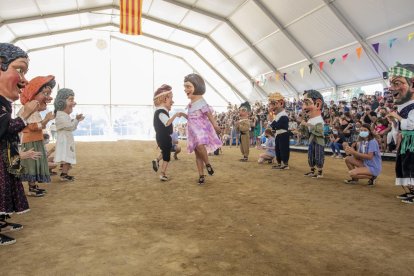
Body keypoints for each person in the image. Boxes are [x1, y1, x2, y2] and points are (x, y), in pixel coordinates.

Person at [0, 43, 42, 245]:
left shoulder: (3, 103)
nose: (24, 81)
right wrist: (25, 115)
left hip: (6, 156)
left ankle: (2, 222)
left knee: (5, 191)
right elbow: (4, 129)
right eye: (19, 70)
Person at [180, 74, 221, 185]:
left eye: (188, 87)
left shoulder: (201, 102)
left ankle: (207, 163)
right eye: (185, 87)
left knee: (199, 145)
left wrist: (215, 126)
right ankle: (201, 176)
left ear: (197, 87)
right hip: (192, 131)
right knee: (197, 154)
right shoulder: (190, 104)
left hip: (201, 129)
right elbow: (190, 118)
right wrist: (182, 114)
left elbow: (209, 115)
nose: (186, 90)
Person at [18, 75, 56, 196]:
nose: (48, 98)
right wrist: (46, 120)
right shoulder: (28, 109)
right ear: (33, 93)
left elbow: (39, 126)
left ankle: (33, 186)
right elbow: (34, 127)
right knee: (31, 164)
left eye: (48, 94)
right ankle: (31, 188)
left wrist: (45, 120)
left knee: (35, 163)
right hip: (30, 141)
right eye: (45, 93)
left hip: (35, 140)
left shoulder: (34, 111)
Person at [386, 63, 414, 203]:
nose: (391, 88)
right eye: (391, 84)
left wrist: (397, 117)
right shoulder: (403, 107)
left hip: (412, 142)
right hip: (406, 141)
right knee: (403, 165)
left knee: (411, 165)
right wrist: (394, 121)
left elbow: (411, 124)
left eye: (397, 83)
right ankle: (410, 191)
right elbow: (402, 126)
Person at [151, 84, 182, 181]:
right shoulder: (161, 112)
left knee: (165, 151)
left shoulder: (160, 112)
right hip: (164, 137)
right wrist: (175, 115)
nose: (172, 101)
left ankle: (156, 160)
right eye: (171, 98)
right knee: (167, 157)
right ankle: (162, 174)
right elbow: (167, 122)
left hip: (162, 137)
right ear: (164, 99)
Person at [53, 88, 85, 181]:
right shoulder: (60, 115)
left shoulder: (64, 115)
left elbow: (72, 127)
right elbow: (70, 126)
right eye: (71, 100)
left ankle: (65, 173)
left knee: (68, 156)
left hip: (67, 139)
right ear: (61, 102)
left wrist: (76, 120)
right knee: (66, 156)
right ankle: (64, 174)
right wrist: (76, 120)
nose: (74, 103)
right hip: (64, 140)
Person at [301, 90, 325, 179]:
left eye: (307, 103)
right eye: (303, 103)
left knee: (318, 155)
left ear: (318, 104)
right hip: (312, 139)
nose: (303, 107)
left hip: (318, 140)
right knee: (311, 154)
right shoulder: (310, 119)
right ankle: (312, 170)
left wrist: (306, 124)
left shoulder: (319, 120)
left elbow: (319, 131)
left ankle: (319, 172)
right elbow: (308, 131)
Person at [268, 92, 290, 170]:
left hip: (283, 134)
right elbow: (275, 127)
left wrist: (271, 121)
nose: (273, 107)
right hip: (279, 134)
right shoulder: (278, 115)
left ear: (281, 103)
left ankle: (285, 164)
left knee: (283, 149)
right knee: (278, 149)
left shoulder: (284, 115)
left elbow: (277, 126)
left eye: (274, 104)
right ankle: (280, 163)